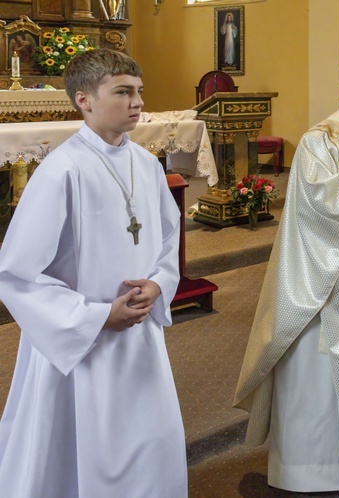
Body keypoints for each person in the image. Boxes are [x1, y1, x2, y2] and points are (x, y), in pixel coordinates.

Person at [0, 49, 186, 496]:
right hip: (80, 341)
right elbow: (17, 274)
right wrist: (97, 316)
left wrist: (159, 283)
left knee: (148, 438)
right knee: (77, 448)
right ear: (83, 100)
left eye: (139, 92)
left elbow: (167, 237)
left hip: (139, 336)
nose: (137, 102)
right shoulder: (62, 170)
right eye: (122, 92)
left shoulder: (145, 163)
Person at [233, 53, 339, 493]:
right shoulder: (317, 140)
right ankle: (313, 473)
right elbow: (322, 207)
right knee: (317, 378)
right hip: (326, 277)